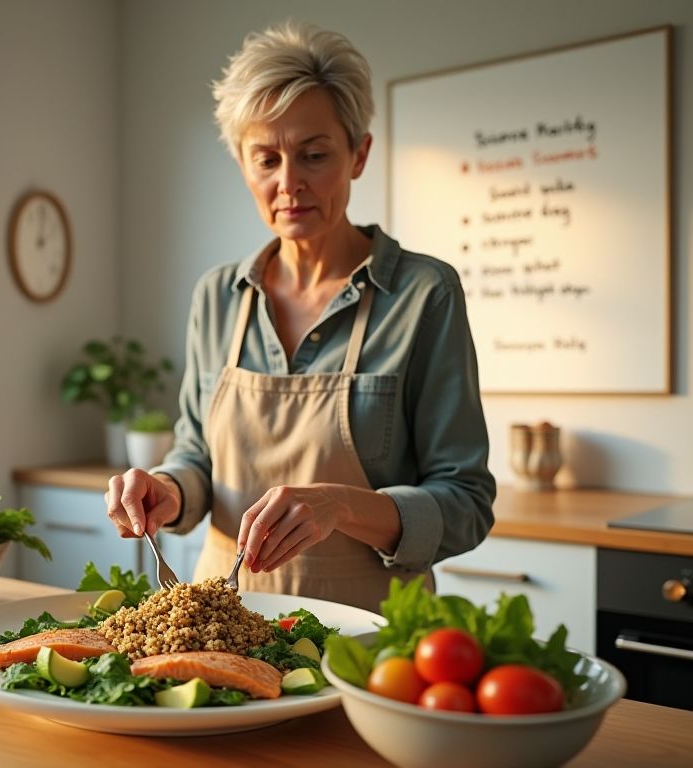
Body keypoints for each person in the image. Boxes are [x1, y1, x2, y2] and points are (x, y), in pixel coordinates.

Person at [104, 20, 495, 611]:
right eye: (266, 159)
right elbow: (197, 457)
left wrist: (341, 506)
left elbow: (466, 502)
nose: (289, 184)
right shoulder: (218, 296)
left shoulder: (424, 294)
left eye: (314, 155)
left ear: (358, 154)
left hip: (372, 632)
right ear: (242, 165)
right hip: (224, 621)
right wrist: (167, 488)